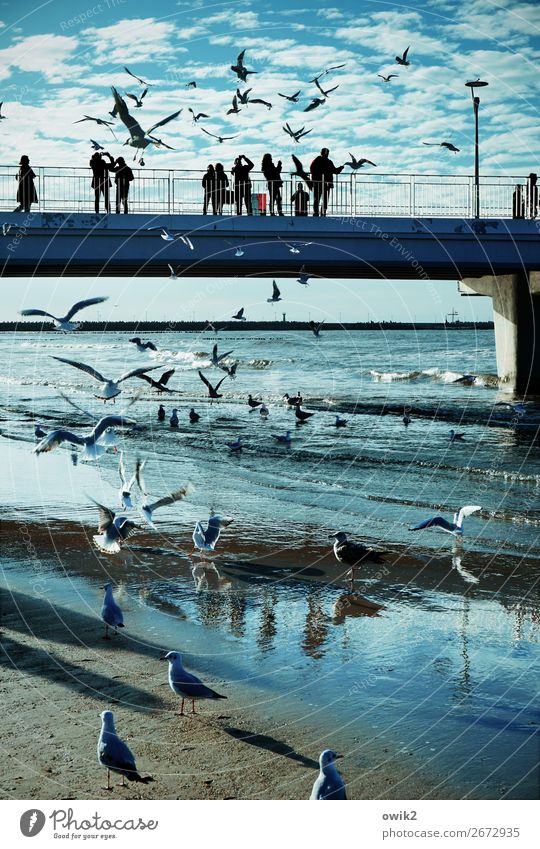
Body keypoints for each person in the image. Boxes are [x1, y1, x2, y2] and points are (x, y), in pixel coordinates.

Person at [310, 147, 344, 217]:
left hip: (322, 183)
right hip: (321, 183)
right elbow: (335, 171)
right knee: (320, 199)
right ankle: (320, 213)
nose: (326, 155)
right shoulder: (325, 161)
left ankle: (319, 213)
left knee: (320, 199)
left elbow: (335, 171)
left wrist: (340, 168)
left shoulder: (322, 161)